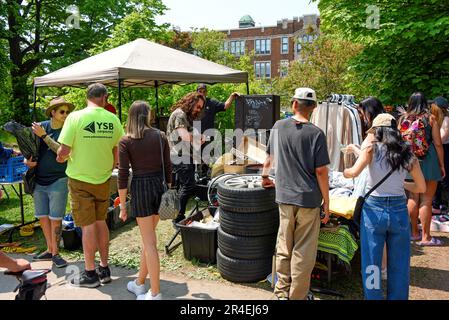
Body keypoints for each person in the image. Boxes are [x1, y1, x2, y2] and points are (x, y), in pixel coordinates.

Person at [344, 113, 426, 300]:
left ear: (377, 131)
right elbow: (420, 187)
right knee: (399, 263)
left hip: (374, 210)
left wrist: (346, 170)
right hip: (398, 209)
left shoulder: (371, 150)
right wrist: (403, 184)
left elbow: (352, 173)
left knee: (372, 262)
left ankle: (373, 297)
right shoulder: (407, 153)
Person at [261, 88, 330, 300]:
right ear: (314, 107)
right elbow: (321, 171)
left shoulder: (279, 126)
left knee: (284, 246)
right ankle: (297, 296)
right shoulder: (317, 133)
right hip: (308, 200)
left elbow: (269, 157)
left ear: (293, 104)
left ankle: (281, 293)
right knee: (303, 251)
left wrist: (265, 176)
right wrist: (327, 202)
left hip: (284, 197)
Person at [57, 83, 124, 288]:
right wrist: (110, 165)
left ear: (88, 96)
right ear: (104, 98)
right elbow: (118, 150)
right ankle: (104, 269)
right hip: (103, 179)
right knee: (100, 221)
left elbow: (64, 150)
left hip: (79, 180)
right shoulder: (112, 119)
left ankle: (89, 273)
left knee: (87, 225)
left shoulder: (75, 118)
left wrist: (60, 156)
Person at [118, 101, 171, 300]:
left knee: (149, 242)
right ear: (148, 115)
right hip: (159, 187)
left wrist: (122, 205)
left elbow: (123, 175)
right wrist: (169, 191)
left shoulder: (126, 140)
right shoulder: (160, 136)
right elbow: (168, 166)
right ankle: (140, 283)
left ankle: (155, 292)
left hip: (141, 188)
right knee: (147, 239)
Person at [24, 97, 74, 268]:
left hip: (58, 179)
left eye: (67, 112)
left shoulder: (68, 129)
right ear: (53, 112)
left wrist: (44, 136)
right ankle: (49, 249)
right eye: (62, 111)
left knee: (56, 218)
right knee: (43, 217)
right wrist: (27, 160)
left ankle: (56, 254)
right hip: (38, 179)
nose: (66, 115)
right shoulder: (41, 126)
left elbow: (61, 151)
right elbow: (29, 148)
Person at [345, 97, 387, 279]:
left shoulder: (373, 133)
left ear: (369, 112)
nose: (361, 116)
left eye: (362, 112)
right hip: (386, 187)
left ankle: (377, 270)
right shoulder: (390, 132)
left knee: (372, 233)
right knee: (383, 233)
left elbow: (361, 165)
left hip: (370, 187)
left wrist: (348, 172)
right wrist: (357, 149)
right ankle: (383, 268)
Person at [399, 92, 444, 246]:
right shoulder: (431, 118)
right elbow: (438, 144)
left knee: (413, 198)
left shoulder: (403, 119)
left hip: (410, 160)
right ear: (425, 103)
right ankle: (426, 237)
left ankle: (413, 233)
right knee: (427, 199)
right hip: (429, 160)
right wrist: (442, 164)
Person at [166, 92, 206, 226]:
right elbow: (184, 136)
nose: (198, 110)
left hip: (183, 155)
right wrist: (197, 137)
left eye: (201, 108)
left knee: (184, 186)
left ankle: (177, 215)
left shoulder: (184, 116)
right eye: (198, 106)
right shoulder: (180, 114)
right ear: (191, 102)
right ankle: (178, 217)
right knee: (189, 186)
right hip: (179, 155)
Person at [430, 96, 449, 212]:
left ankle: (444, 206)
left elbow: (441, 139)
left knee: (445, 179)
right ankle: (437, 205)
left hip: (445, 150)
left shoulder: (446, 120)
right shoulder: (437, 119)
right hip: (439, 149)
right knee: (437, 178)